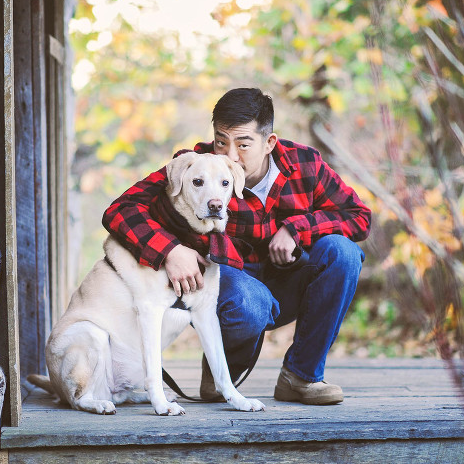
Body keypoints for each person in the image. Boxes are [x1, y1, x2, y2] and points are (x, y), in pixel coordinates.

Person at [102, 88, 371, 405]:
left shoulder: (305, 165)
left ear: (269, 143)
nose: (229, 155)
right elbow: (121, 209)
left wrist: (298, 227)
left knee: (344, 254)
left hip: (289, 279)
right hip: (234, 287)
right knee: (249, 299)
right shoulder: (196, 167)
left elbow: (359, 216)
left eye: (243, 144)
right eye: (221, 141)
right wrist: (170, 250)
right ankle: (221, 373)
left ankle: (302, 376)